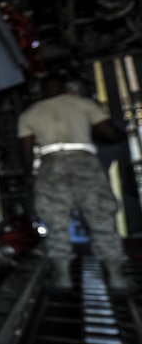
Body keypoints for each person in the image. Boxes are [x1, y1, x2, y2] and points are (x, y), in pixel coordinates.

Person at [18, 72, 128, 292]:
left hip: (50, 164)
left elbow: (27, 150)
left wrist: (30, 173)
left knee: (55, 221)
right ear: (65, 88)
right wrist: (120, 135)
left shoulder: (30, 114)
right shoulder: (83, 104)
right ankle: (116, 277)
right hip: (83, 161)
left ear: (42, 90)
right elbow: (107, 131)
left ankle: (63, 277)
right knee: (100, 216)